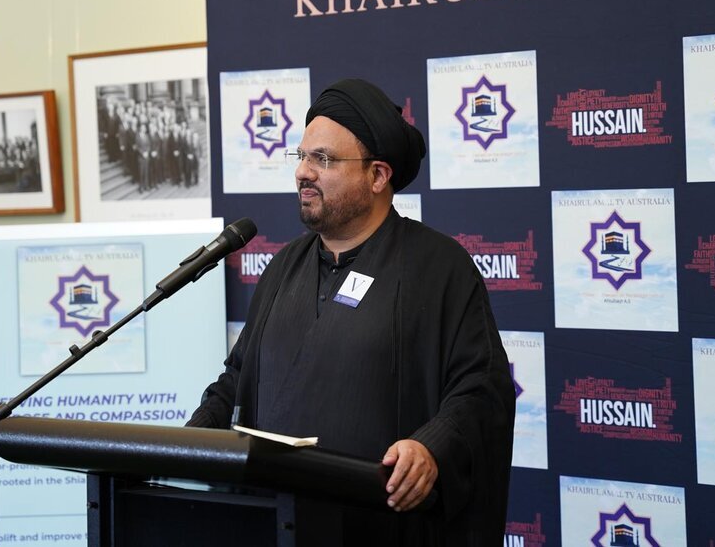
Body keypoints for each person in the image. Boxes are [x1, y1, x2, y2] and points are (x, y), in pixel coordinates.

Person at [187, 78, 515, 545]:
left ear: (378, 176)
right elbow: (238, 379)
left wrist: (430, 448)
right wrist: (192, 439)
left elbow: (482, 388)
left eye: (323, 159)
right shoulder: (283, 267)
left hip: (382, 528)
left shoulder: (439, 267)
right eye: (301, 156)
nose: (302, 172)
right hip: (280, 525)